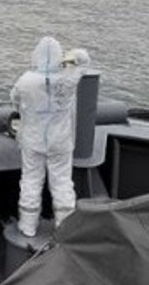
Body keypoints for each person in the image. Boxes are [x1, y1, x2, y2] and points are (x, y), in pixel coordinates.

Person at [9, 37, 89, 237]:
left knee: (30, 180)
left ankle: (27, 226)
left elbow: (14, 101)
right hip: (60, 140)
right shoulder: (68, 79)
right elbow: (84, 61)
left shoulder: (25, 80)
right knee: (62, 182)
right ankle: (64, 227)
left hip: (32, 138)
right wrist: (72, 57)